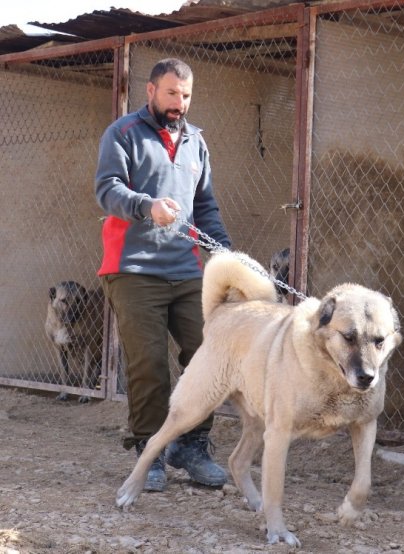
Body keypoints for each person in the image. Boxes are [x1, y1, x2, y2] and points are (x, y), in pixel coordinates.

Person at [95, 58, 231, 492]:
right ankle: (149, 451)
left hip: (187, 268)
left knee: (207, 354)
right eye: (172, 93)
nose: (180, 103)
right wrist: (145, 205)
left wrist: (226, 253)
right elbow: (108, 189)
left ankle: (192, 445)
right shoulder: (122, 134)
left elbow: (205, 206)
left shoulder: (196, 142)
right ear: (151, 91)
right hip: (133, 268)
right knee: (149, 363)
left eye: (186, 95)